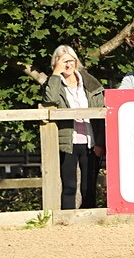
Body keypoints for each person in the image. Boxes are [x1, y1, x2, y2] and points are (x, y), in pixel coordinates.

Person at [44, 45, 107, 208]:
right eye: (62, 61)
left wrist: (100, 142)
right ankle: (67, 222)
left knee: (89, 187)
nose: (67, 65)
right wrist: (56, 74)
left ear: (76, 61)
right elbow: (49, 100)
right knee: (69, 187)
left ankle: (89, 220)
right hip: (68, 143)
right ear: (56, 63)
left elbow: (101, 115)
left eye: (70, 60)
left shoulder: (90, 83)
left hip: (90, 142)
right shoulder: (54, 84)